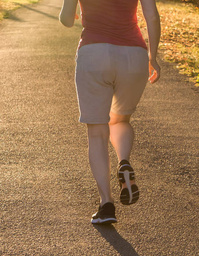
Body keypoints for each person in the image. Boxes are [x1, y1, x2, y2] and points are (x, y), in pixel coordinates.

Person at [59, 0, 161, 224]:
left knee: (97, 132)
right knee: (120, 120)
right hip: (133, 55)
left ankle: (107, 205)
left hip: (94, 54)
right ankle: (124, 161)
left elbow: (66, 20)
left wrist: (74, 11)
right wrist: (153, 57)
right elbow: (152, 15)